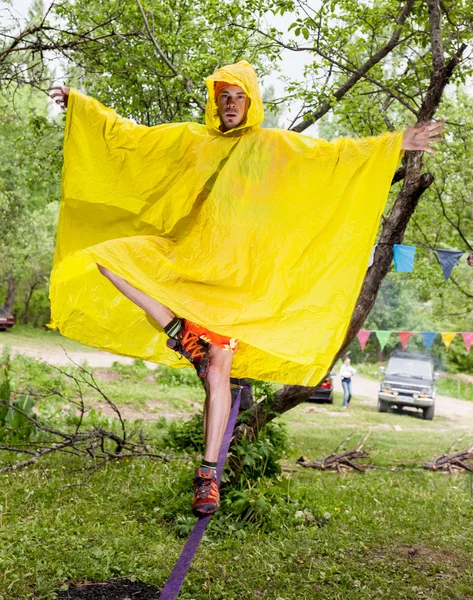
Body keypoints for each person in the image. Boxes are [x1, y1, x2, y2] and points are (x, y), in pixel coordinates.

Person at [48, 61, 443, 516]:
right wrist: (82, 105)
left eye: (237, 96)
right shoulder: (194, 140)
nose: (229, 104)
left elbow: (332, 156)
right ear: (214, 103)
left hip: (238, 288)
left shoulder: (271, 145)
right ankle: (182, 332)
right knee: (107, 258)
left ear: (251, 101)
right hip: (187, 266)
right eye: (222, 96)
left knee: (219, 374)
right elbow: (132, 140)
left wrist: (397, 143)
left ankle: (207, 477)